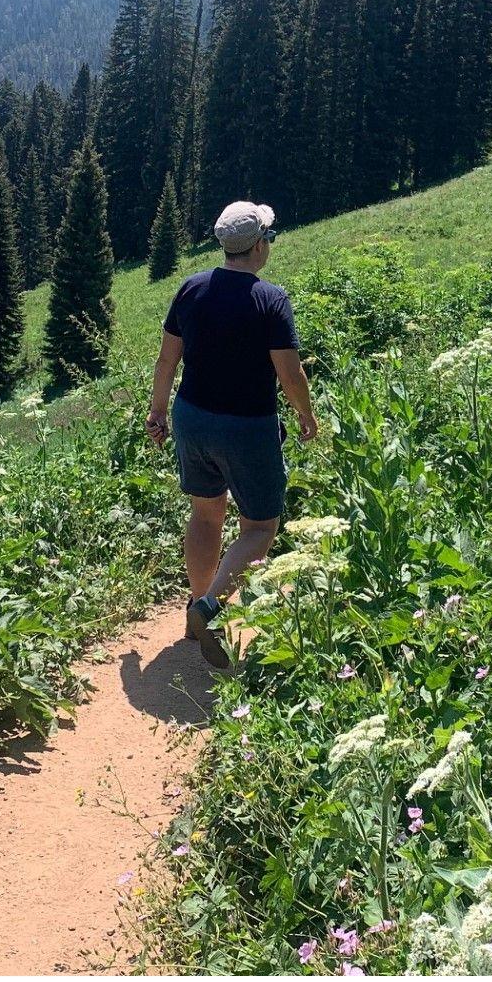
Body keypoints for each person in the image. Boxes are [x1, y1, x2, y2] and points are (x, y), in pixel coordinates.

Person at [147, 199, 317, 668]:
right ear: (259, 246)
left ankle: (194, 609)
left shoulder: (190, 289)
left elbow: (167, 361)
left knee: (205, 516)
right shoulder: (270, 299)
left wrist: (157, 412)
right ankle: (211, 607)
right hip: (248, 426)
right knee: (260, 526)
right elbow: (289, 373)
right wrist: (306, 415)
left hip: (193, 419)